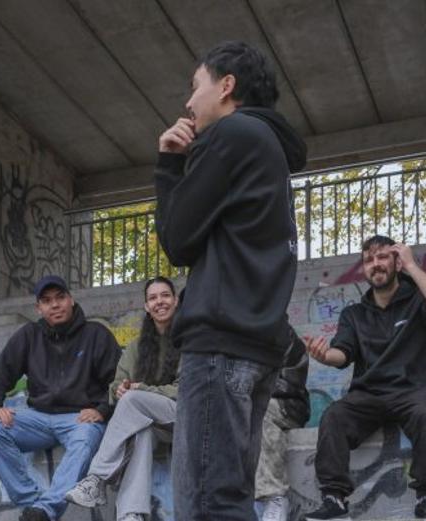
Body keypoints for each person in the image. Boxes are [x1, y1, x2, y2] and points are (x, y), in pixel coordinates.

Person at [153, 40, 307, 520]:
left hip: (220, 345)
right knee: (229, 499)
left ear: (226, 86)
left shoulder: (232, 133)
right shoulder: (268, 147)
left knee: (206, 505)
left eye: (195, 86)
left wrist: (169, 164)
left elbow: (177, 240)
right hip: (256, 346)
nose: (188, 102)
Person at [302, 235, 426, 520]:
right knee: (334, 416)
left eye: (383, 257)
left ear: (396, 261)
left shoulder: (417, 301)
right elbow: (342, 354)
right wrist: (325, 356)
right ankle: (334, 499)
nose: (376, 264)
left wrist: (411, 265)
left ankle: (425, 498)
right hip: (369, 395)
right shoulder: (354, 314)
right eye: (369, 260)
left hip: (414, 391)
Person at [0, 275, 122, 521]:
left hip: (79, 417)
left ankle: (46, 509)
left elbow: (118, 380)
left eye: (60, 298)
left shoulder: (96, 334)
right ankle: (32, 505)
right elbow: (3, 370)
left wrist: (102, 409)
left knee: (86, 437)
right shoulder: (29, 335)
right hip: (37, 417)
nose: (55, 305)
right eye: (47, 301)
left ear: (71, 300)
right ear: (39, 308)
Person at [66, 277, 182, 521]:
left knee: (132, 400)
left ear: (176, 300)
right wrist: (119, 390)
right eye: (153, 298)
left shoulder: (190, 339)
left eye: (165, 295)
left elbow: (186, 390)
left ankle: (97, 478)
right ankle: (131, 514)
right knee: (142, 432)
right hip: (155, 423)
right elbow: (117, 384)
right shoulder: (137, 347)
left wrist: (142, 391)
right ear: (146, 307)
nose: (159, 301)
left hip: (185, 416)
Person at [255, 325, 311, 521]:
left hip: (286, 405)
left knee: (260, 412)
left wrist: (248, 390)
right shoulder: (225, 337)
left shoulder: (282, 332)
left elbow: (290, 385)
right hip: (245, 408)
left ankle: (274, 498)